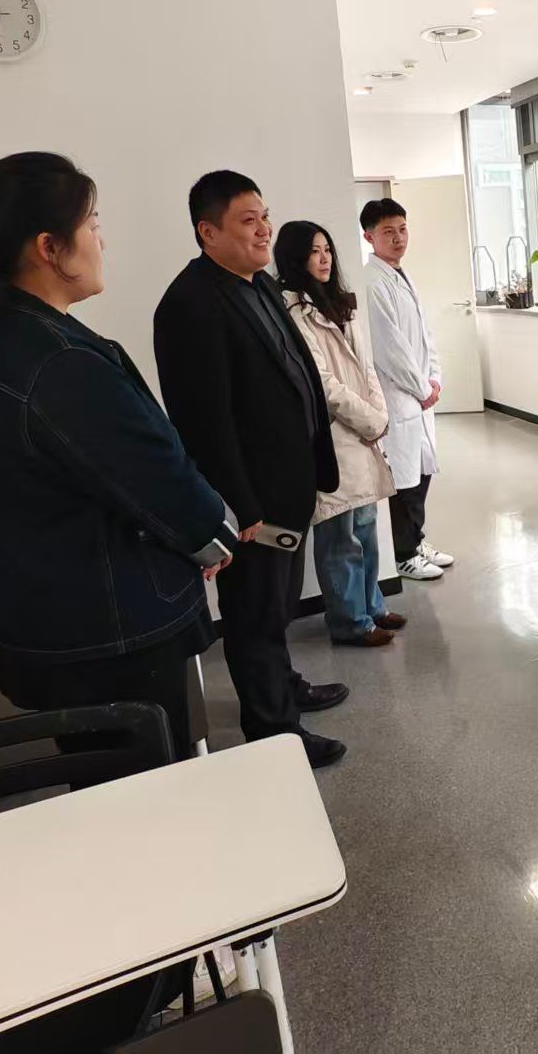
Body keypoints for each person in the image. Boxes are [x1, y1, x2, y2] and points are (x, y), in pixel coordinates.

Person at [0, 152, 235, 758]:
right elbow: (153, 476)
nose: (101, 240)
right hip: (110, 635)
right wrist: (212, 534)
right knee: (141, 791)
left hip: (70, 624)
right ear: (49, 247)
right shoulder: (56, 361)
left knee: (111, 787)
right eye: (92, 224)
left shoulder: (6, 334)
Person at [154, 171, 349, 769]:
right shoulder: (189, 305)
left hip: (289, 487)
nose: (265, 229)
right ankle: (273, 732)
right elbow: (203, 424)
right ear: (207, 232)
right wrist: (240, 507)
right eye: (248, 220)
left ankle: (283, 686)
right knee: (254, 615)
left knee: (278, 604)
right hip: (254, 505)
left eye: (265, 215)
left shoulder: (259, 284)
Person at [275, 220, 404, 648]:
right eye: (314, 251)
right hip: (334, 438)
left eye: (327, 249)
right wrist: (370, 419)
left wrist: (378, 414)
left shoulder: (339, 304)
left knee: (365, 527)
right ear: (296, 258)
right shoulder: (293, 313)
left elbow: (366, 367)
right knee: (339, 536)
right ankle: (350, 622)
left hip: (364, 433)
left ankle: (372, 606)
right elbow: (323, 384)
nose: (324, 258)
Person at [361, 198, 455, 582]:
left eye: (402, 229)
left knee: (422, 471)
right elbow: (390, 347)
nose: (398, 238)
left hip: (418, 394)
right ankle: (403, 555)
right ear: (369, 237)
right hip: (400, 396)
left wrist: (435, 378)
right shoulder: (372, 282)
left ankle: (416, 541)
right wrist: (421, 387)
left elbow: (424, 336)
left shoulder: (401, 274)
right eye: (388, 232)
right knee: (404, 479)